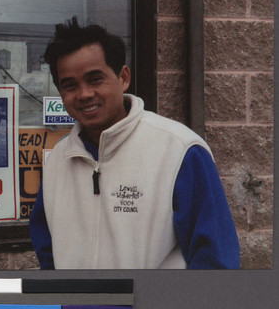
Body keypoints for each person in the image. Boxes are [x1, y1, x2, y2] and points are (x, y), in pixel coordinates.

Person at [29, 17, 240, 269]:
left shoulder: (180, 150)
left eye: (95, 79)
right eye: (70, 85)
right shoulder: (58, 161)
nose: (84, 94)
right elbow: (47, 253)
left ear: (123, 78)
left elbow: (215, 261)